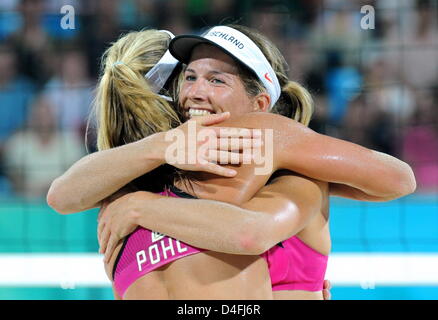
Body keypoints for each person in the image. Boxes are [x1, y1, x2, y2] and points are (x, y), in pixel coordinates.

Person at [47, 26, 415, 299]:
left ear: (259, 104)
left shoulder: (271, 142)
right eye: (189, 77)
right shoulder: (149, 171)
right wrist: (163, 146)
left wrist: (140, 208)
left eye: (217, 80)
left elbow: (398, 179)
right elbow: (61, 197)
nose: (195, 92)